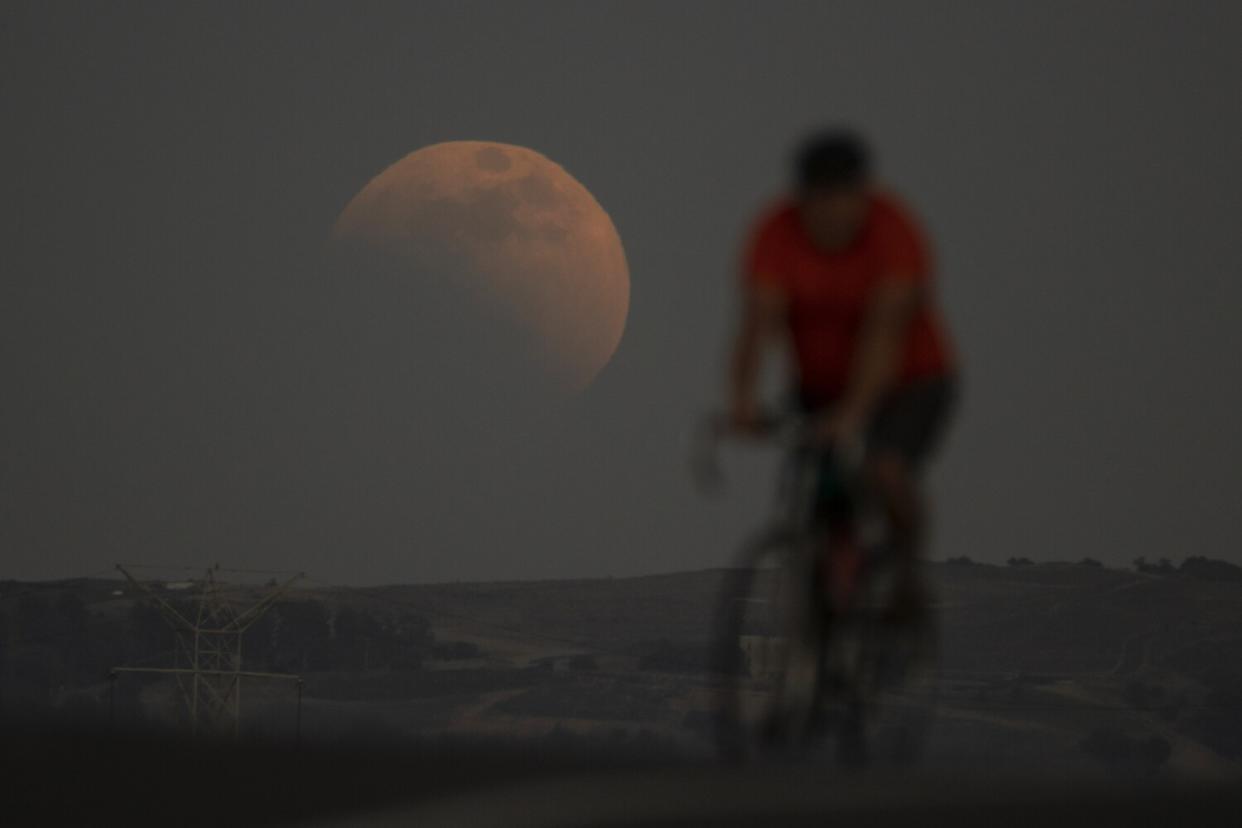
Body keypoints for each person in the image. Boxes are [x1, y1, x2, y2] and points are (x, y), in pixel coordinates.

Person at [729, 129, 958, 613]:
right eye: (819, 199)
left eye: (842, 198)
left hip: (912, 377)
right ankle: (826, 605)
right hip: (820, 383)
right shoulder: (776, 231)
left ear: (862, 196)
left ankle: (906, 578)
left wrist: (854, 414)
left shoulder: (894, 232)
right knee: (817, 484)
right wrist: (742, 401)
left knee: (885, 469)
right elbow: (758, 322)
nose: (830, 212)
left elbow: (886, 333)